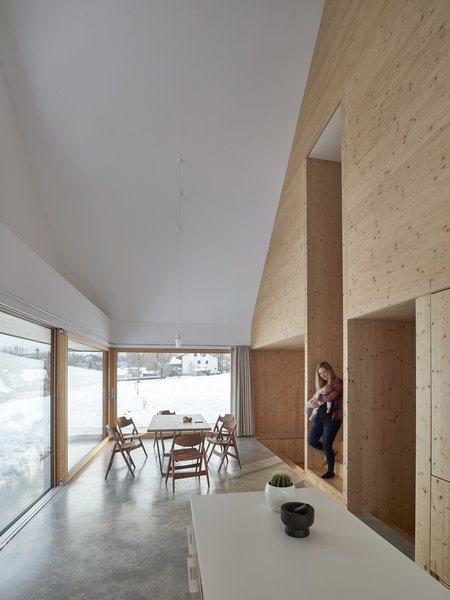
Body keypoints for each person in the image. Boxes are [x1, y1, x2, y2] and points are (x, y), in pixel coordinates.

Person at [306, 361, 343, 479]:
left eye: (325, 373)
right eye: (321, 375)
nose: (323, 376)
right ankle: (330, 453)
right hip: (319, 419)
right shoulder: (323, 386)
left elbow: (333, 396)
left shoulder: (338, 382)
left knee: (327, 444)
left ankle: (330, 471)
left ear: (330, 370)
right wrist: (312, 404)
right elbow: (316, 401)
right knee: (312, 441)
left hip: (332, 420)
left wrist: (318, 398)